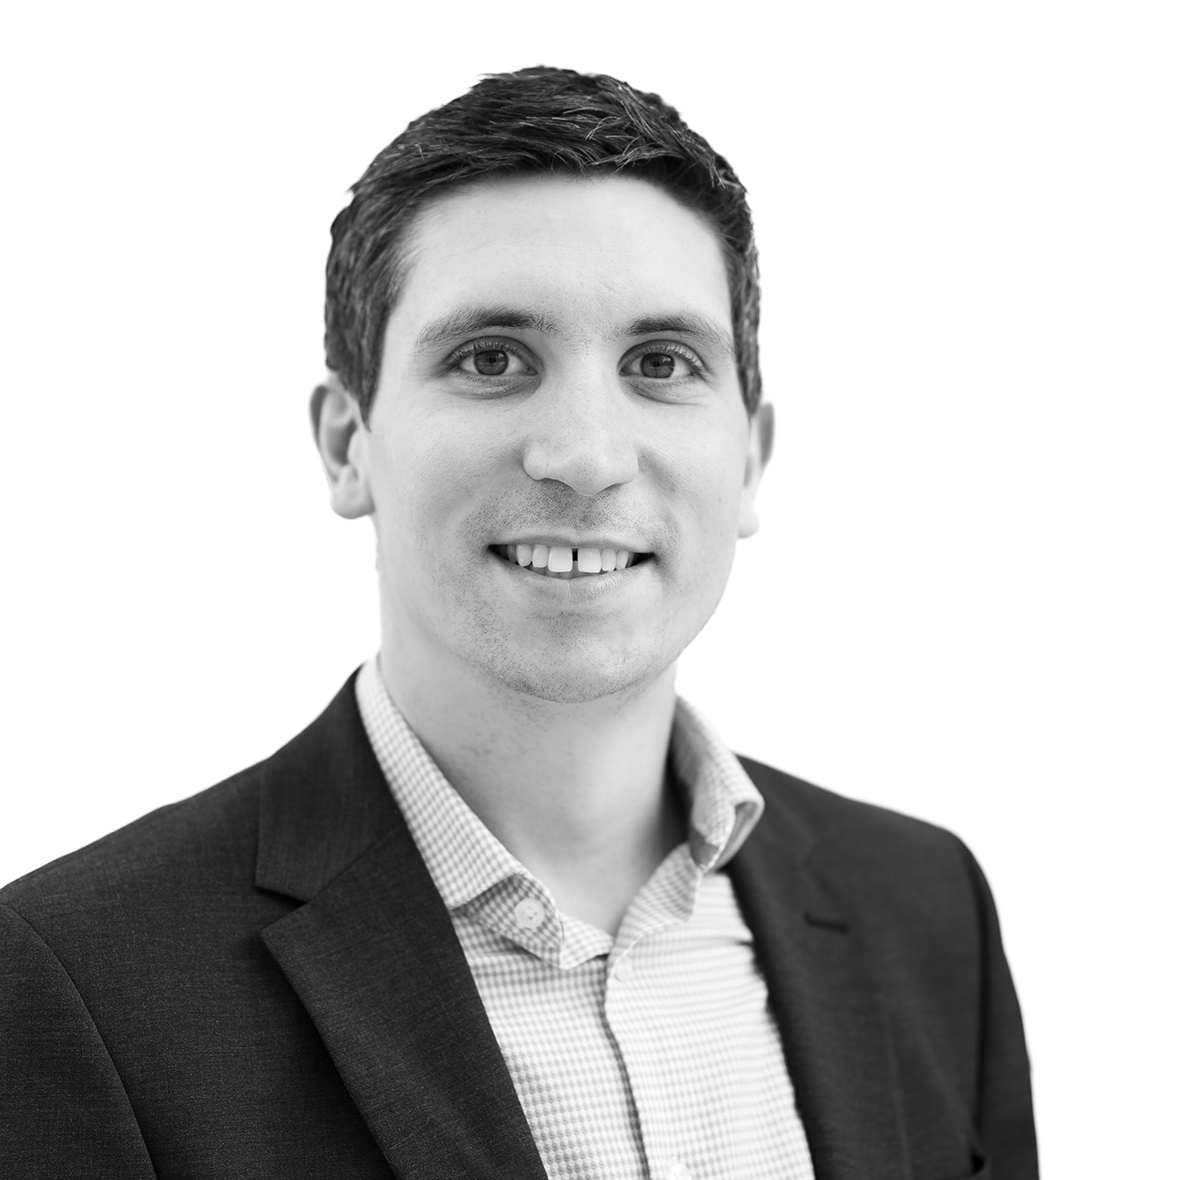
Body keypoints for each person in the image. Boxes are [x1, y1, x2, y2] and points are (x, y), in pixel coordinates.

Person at [0, 66, 1037, 1179]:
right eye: (491, 359)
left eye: (661, 363)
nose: (585, 455)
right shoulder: (77, 984)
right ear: (347, 443)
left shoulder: (928, 913)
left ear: (750, 459)